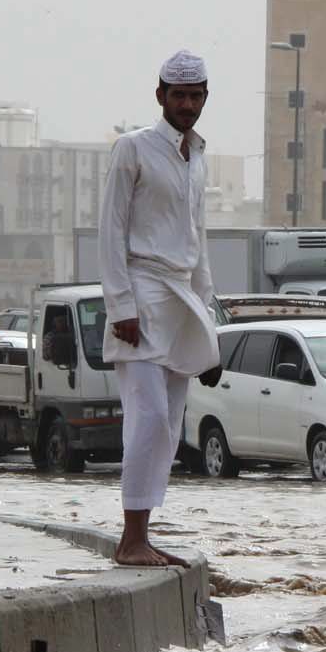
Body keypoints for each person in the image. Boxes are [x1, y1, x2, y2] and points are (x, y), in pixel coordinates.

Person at [100, 49, 222, 568]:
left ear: (204, 98)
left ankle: (142, 535)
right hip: (142, 293)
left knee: (170, 424)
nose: (187, 105)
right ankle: (129, 539)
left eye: (196, 96)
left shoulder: (197, 155)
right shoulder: (132, 149)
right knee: (146, 418)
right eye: (179, 96)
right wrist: (119, 305)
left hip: (182, 299)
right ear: (160, 96)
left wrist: (209, 320)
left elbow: (198, 240)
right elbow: (111, 230)